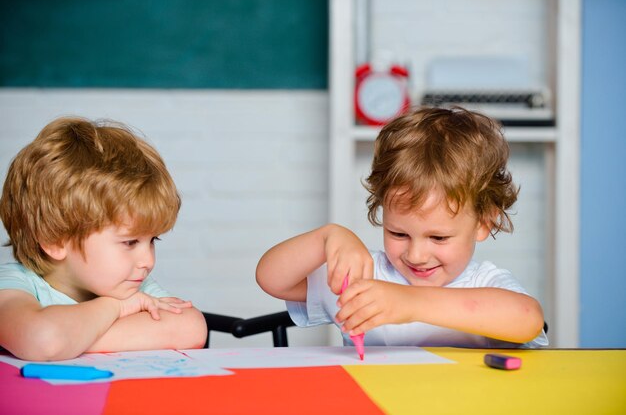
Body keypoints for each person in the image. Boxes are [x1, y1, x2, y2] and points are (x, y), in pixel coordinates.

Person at [256, 106, 548, 348]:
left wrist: (408, 303)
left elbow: (528, 319)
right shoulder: (364, 276)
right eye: (398, 233)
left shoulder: (484, 283)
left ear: (484, 223)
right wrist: (327, 237)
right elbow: (272, 279)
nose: (417, 254)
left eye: (438, 237)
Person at [0, 117, 207, 361]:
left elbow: (190, 327)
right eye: (129, 242)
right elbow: (43, 340)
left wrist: (71, 341)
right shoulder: (14, 284)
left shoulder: (132, 287)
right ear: (54, 240)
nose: (148, 261)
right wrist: (115, 307)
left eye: (152, 240)